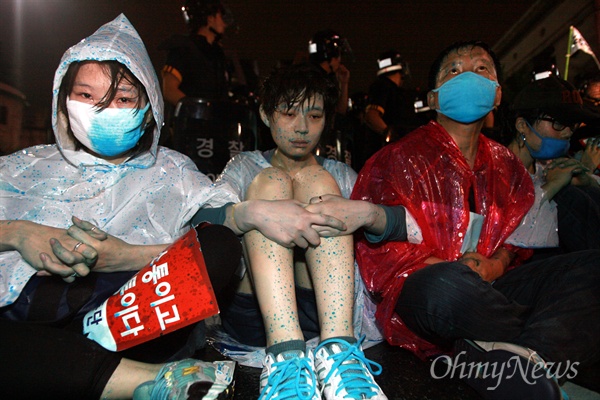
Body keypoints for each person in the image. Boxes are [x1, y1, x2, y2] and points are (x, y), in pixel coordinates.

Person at [0, 14, 346, 399]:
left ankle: (74, 364)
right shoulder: (21, 167)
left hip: (133, 320)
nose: (103, 110)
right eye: (86, 95)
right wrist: (19, 233)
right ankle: (150, 381)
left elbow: (216, 234)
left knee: (219, 247)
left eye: (123, 98)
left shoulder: (174, 170)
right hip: (26, 316)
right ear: (62, 101)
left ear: (149, 107)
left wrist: (123, 256)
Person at [312, 41, 600, 399]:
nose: (468, 76)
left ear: (496, 95)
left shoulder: (507, 166)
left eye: (481, 69)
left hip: (493, 290)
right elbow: (381, 259)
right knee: (445, 288)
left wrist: (494, 266)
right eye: (454, 69)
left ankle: (523, 359)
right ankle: (531, 340)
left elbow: (518, 241)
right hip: (432, 288)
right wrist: (455, 270)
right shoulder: (397, 159)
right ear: (433, 99)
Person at [203, 63, 387, 400]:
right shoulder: (245, 166)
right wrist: (251, 212)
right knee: (271, 182)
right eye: (288, 113)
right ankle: (284, 353)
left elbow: (403, 226)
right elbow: (198, 223)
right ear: (265, 114)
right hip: (254, 314)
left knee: (318, 182)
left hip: (319, 311)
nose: (302, 128)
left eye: (315, 116)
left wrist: (369, 213)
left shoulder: (338, 173)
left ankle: (338, 354)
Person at [499, 75, 600, 257]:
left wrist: (587, 181)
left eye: (573, 125)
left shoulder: (547, 167)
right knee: (566, 196)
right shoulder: (495, 170)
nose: (568, 132)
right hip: (517, 272)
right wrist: (551, 187)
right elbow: (502, 232)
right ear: (522, 125)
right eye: (559, 123)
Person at [161, 0, 234, 106]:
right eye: (220, 15)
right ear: (210, 18)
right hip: (192, 121)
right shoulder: (183, 48)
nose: (224, 23)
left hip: (216, 121)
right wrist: (199, 111)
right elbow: (169, 91)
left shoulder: (217, 54)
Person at [358, 50, 418, 168]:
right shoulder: (383, 87)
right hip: (388, 158)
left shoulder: (394, 90)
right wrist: (392, 136)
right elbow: (372, 115)